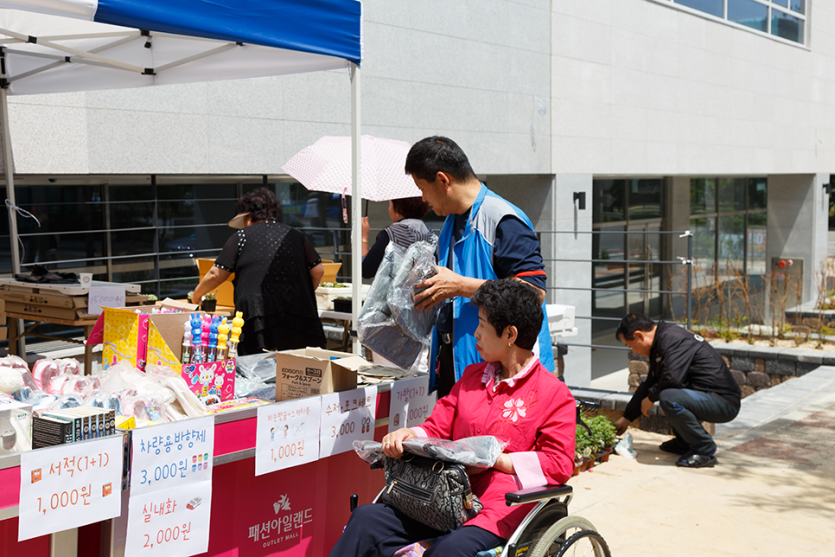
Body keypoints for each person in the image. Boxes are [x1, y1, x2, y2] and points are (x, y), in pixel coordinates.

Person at [328, 280, 575, 557]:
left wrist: (498, 461)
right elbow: (437, 425)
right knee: (366, 520)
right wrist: (409, 434)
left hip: (500, 506)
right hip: (443, 496)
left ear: (510, 334)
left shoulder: (553, 394)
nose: (475, 332)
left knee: (450, 551)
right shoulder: (472, 377)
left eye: (481, 324)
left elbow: (559, 463)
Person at [405, 136, 554, 397]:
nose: (423, 198)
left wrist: (459, 286)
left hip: (505, 379)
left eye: (421, 187)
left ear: (443, 180)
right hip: (463, 368)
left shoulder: (504, 219)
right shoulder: (451, 222)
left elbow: (533, 292)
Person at [192, 188, 326, 355]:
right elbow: (318, 270)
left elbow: (216, 274)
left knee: (258, 367)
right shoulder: (296, 235)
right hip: (296, 312)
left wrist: (196, 295)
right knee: (296, 364)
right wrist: (304, 292)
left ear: (248, 217)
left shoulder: (241, 237)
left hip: (256, 313)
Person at [613, 314, 741, 468]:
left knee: (669, 396)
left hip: (724, 403)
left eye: (630, 345)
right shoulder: (662, 341)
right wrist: (627, 418)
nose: (633, 350)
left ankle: (704, 449)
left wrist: (651, 398)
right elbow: (650, 383)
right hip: (706, 397)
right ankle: (685, 442)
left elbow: (673, 379)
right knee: (670, 393)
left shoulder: (673, 339)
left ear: (639, 335)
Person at [361, 196, 432, 278]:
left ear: (399, 210)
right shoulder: (429, 235)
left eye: (390, 205)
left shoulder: (391, 235)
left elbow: (366, 270)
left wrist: (363, 237)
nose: (389, 209)